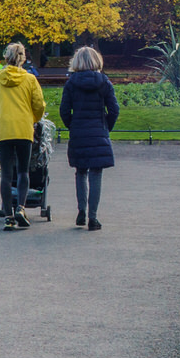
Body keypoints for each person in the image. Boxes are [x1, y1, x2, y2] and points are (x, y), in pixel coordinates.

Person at [0, 42, 46, 230]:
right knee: (23, 171)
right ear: (22, 58)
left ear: (6, 57)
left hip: (3, 129)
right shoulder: (29, 79)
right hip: (23, 129)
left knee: (6, 173)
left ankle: (9, 215)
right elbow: (39, 105)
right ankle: (21, 206)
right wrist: (32, 119)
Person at [59, 46, 119, 231]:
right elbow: (114, 109)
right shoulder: (104, 82)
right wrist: (105, 127)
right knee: (96, 174)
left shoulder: (71, 83)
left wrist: (73, 125)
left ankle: (81, 211)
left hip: (79, 132)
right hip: (98, 131)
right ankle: (93, 217)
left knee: (81, 172)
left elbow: (64, 110)